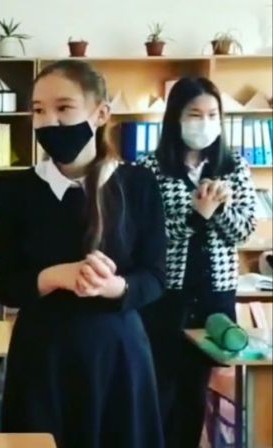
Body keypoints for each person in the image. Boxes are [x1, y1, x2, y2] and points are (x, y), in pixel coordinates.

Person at [0, 60, 166, 448]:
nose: (49, 121)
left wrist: (113, 286)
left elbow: (156, 277)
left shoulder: (137, 184)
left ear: (101, 113)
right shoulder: (18, 191)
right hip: (42, 358)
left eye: (64, 108)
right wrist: (56, 276)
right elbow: (5, 285)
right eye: (38, 110)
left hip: (118, 356)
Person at [140, 77, 257, 448]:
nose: (204, 122)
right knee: (159, 390)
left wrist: (217, 210)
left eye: (212, 114)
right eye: (194, 114)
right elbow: (148, 236)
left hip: (214, 297)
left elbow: (244, 231)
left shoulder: (234, 167)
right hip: (165, 296)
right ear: (176, 117)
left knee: (194, 392)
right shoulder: (150, 169)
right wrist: (196, 215)